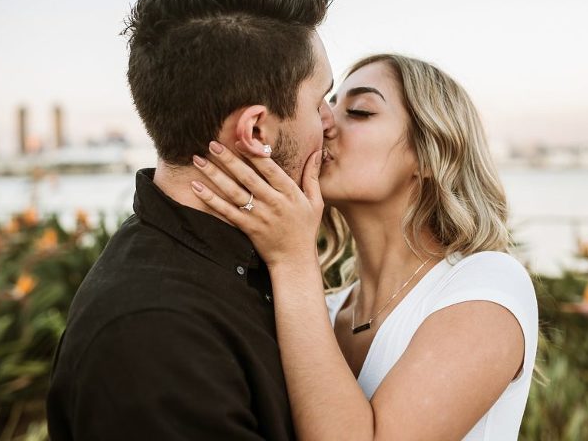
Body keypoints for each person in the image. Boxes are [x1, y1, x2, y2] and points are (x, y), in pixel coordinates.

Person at [46, 0, 337, 440]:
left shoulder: (244, 260)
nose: (332, 122)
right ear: (257, 130)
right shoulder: (154, 336)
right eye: (321, 100)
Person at [190, 53, 539, 440]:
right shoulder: (321, 311)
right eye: (329, 104)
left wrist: (291, 258)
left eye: (358, 111)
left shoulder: (486, 285)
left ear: (428, 153)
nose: (325, 122)